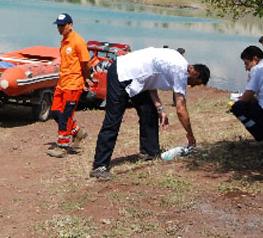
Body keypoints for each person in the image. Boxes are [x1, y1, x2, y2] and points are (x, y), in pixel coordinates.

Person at [90, 47, 210, 179]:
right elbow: (180, 109)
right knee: (113, 119)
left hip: (137, 79)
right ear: (194, 72)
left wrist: (160, 108)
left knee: (149, 111)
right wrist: (190, 135)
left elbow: (150, 81)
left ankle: (150, 152)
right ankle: (100, 166)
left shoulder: (178, 61)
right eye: (196, 83)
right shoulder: (180, 71)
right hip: (122, 73)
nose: (192, 86)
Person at [47, 13, 90, 158]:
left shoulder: (78, 41)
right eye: (58, 25)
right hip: (62, 83)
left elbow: (85, 63)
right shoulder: (64, 41)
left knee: (66, 115)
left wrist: (84, 79)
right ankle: (77, 132)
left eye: (62, 25)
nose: (59, 28)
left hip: (73, 84)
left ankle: (62, 147)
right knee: (55, 112)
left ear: (70, 25)